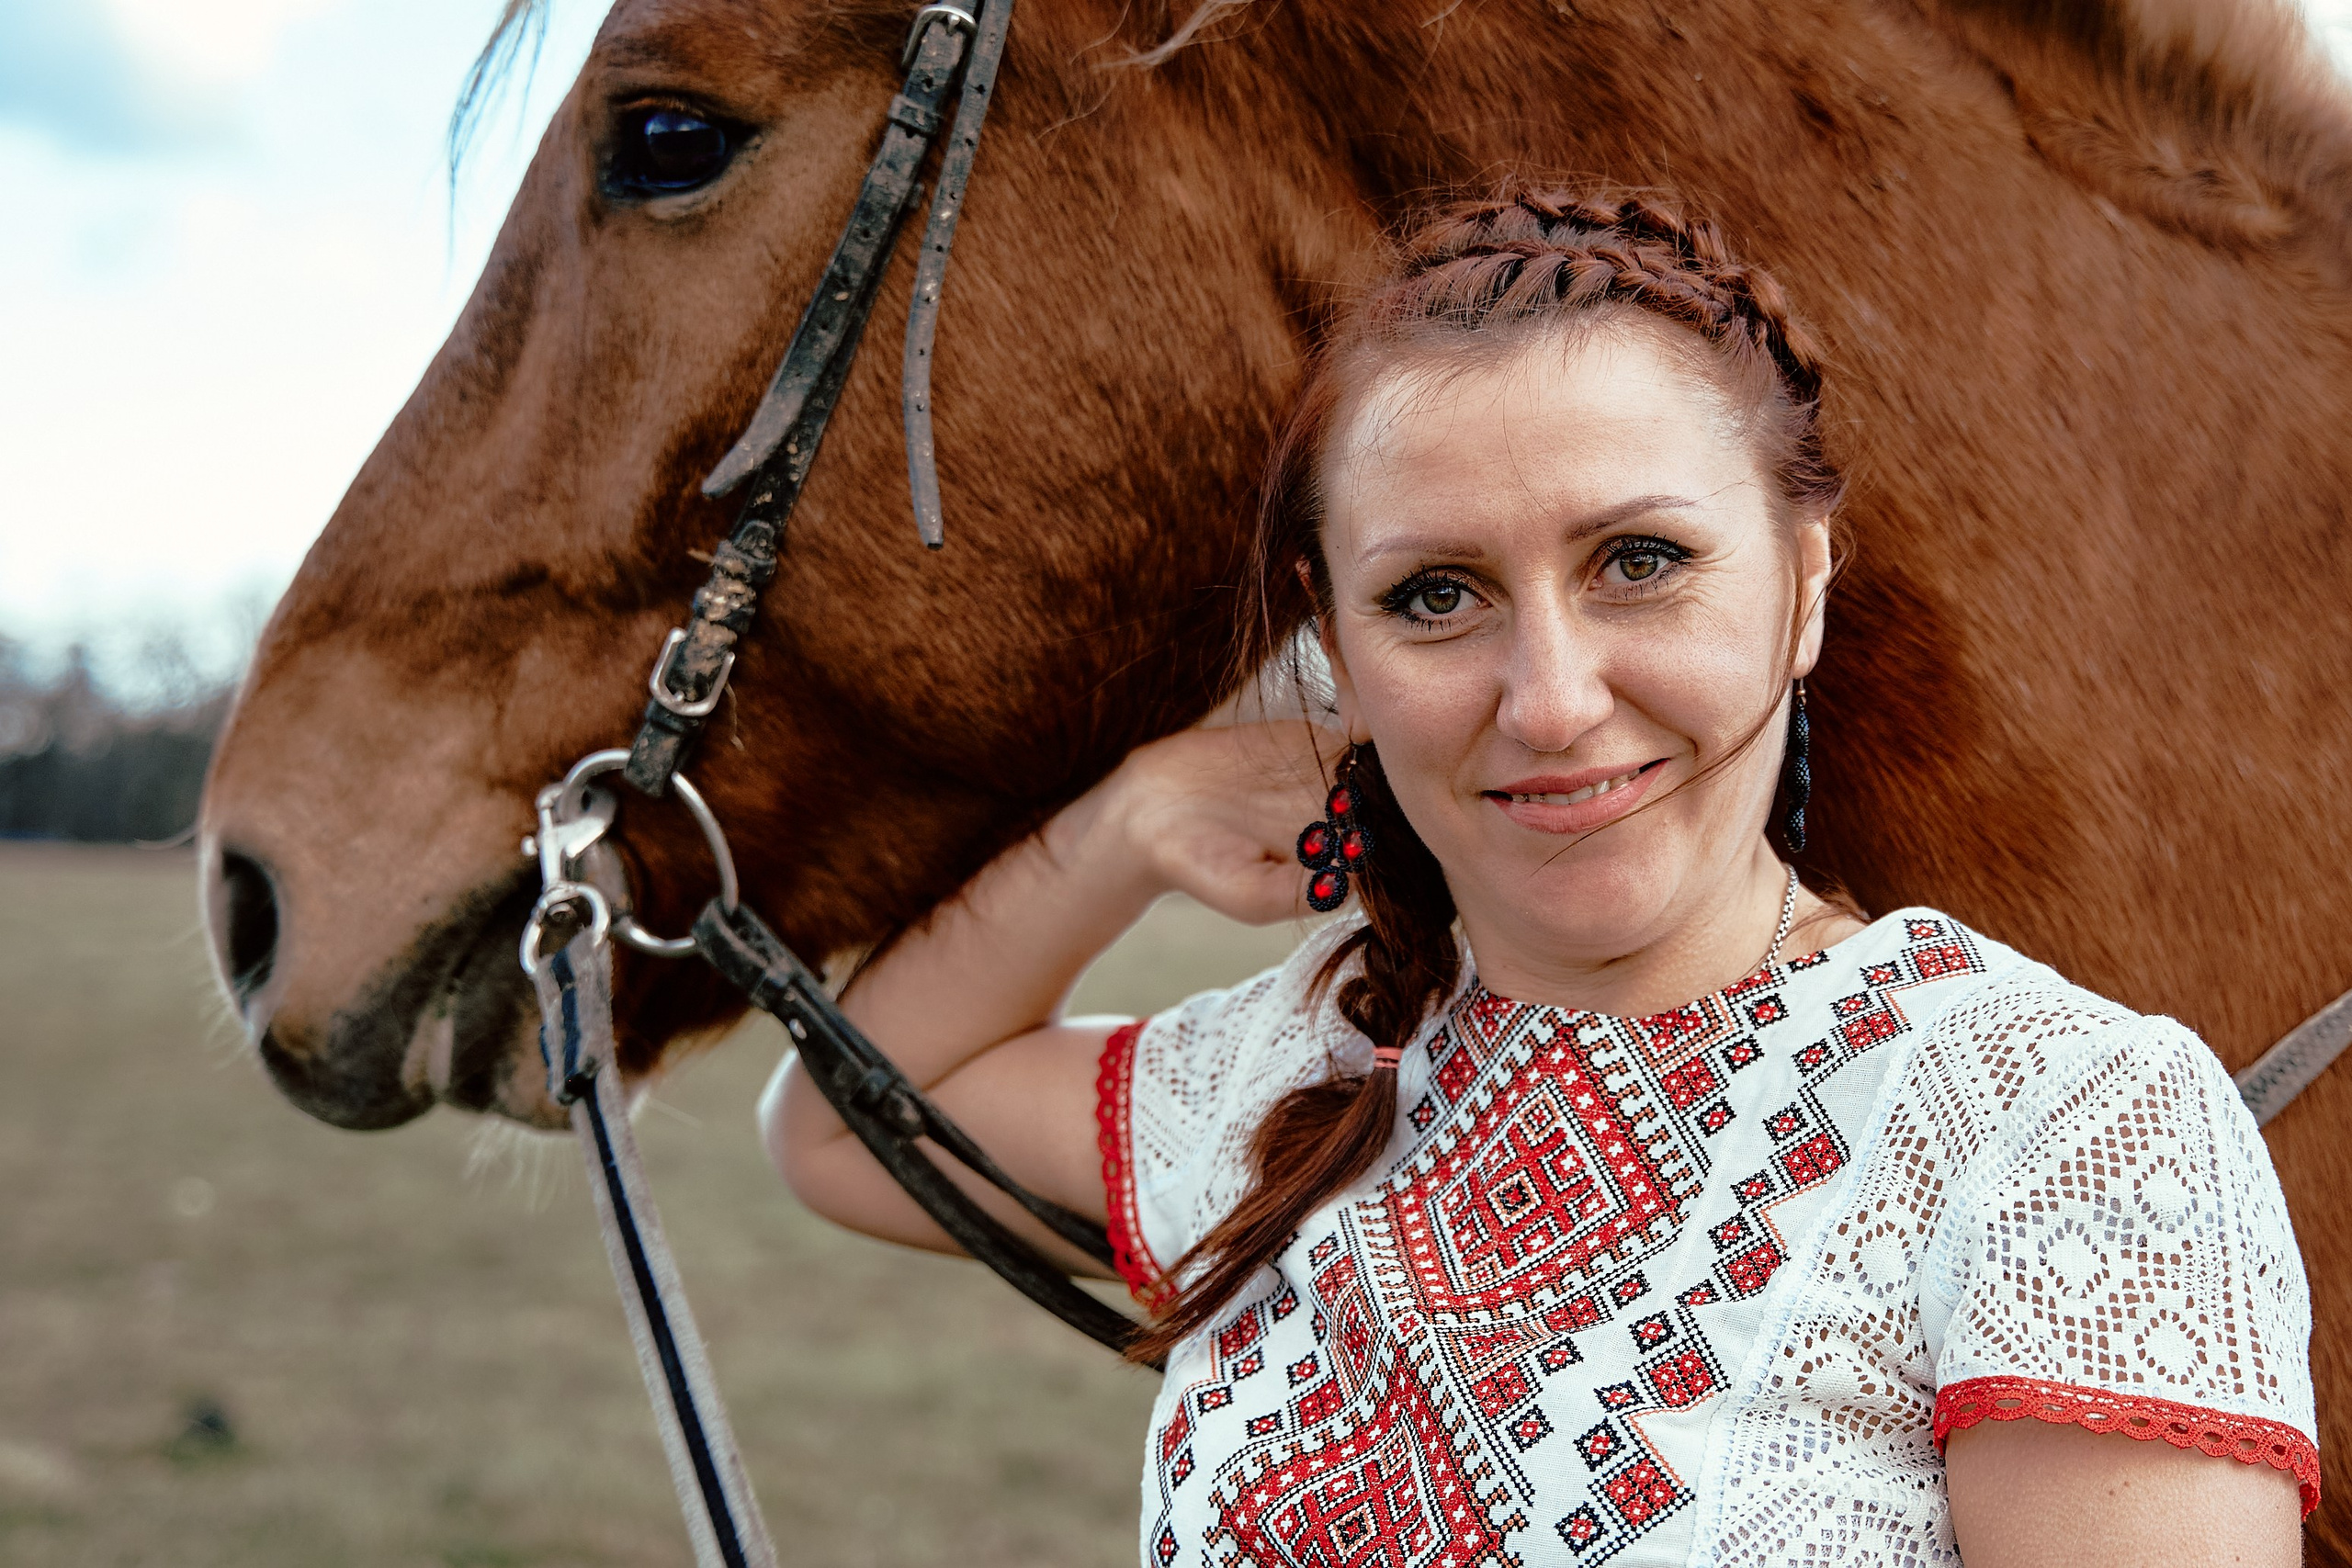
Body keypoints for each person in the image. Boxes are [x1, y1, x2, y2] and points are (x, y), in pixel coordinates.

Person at [760, 191, 2315, 1567]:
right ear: (1337, 647)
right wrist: (1126, 825)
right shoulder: (1296, 1066)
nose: (1552, 699)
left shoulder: (2064, 1115)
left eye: (1640, 560)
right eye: (1435, 596)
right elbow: (844, 1120)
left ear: (1804, 586)